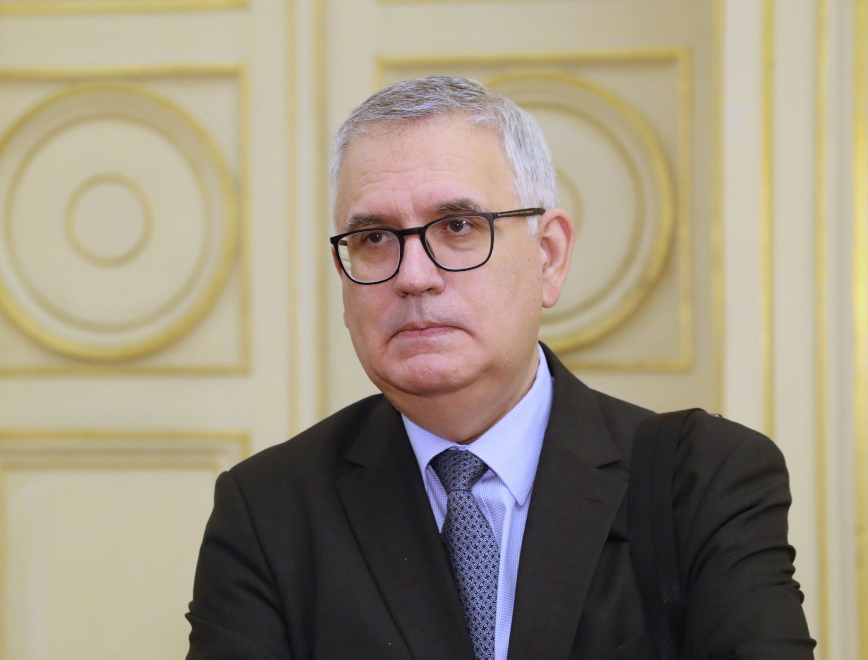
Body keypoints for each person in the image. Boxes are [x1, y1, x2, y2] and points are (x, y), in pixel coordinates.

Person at [185, 76, 814, 659]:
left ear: (549, 256)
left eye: (458, 226)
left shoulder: (701, 481)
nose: (413, 276)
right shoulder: (269, 510)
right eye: (374, 238)